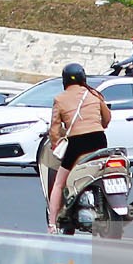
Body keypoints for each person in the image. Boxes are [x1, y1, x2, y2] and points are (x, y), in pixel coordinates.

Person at [40, 63, 112, 224]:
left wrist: (55, 145)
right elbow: (107, 119)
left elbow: (54, 130)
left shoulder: (59, 99)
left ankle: (52, 223)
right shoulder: (94, 94)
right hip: (100, 139)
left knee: (59, 183)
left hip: (77, 144)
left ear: (64, 80)